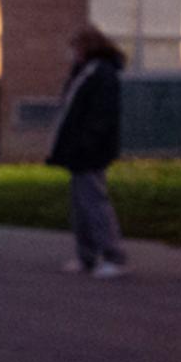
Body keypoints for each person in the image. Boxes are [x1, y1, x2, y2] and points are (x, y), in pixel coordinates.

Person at [47, 26, 129, 277]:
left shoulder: (100, 74)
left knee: (94, 202)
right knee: (82, 204)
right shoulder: (85, 72)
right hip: (80, 147)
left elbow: (100, 114)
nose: (72, 53)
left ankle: (113, 255)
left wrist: (85, 142)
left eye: (75, 48)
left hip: (90, 148)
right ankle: (88, 255)